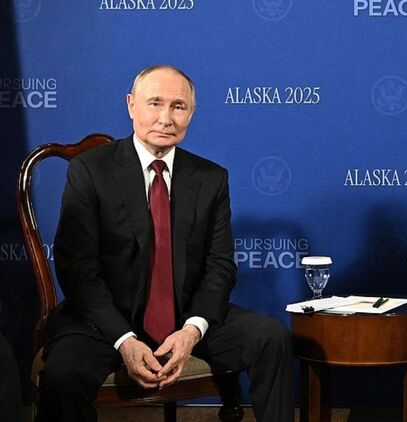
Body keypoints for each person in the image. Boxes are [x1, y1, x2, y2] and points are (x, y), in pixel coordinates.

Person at [37, 65, 293, 422]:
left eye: (178, 106)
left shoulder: (211, 178)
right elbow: (78, 270)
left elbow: (220, 265)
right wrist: (125, 339)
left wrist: (191, 331)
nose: (166, 118)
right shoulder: (90, 171)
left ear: (192, 112)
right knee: (63, 375)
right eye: (155, 103)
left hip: (186, 318)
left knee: (271, 337)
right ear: (131, 105)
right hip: (103, 323)